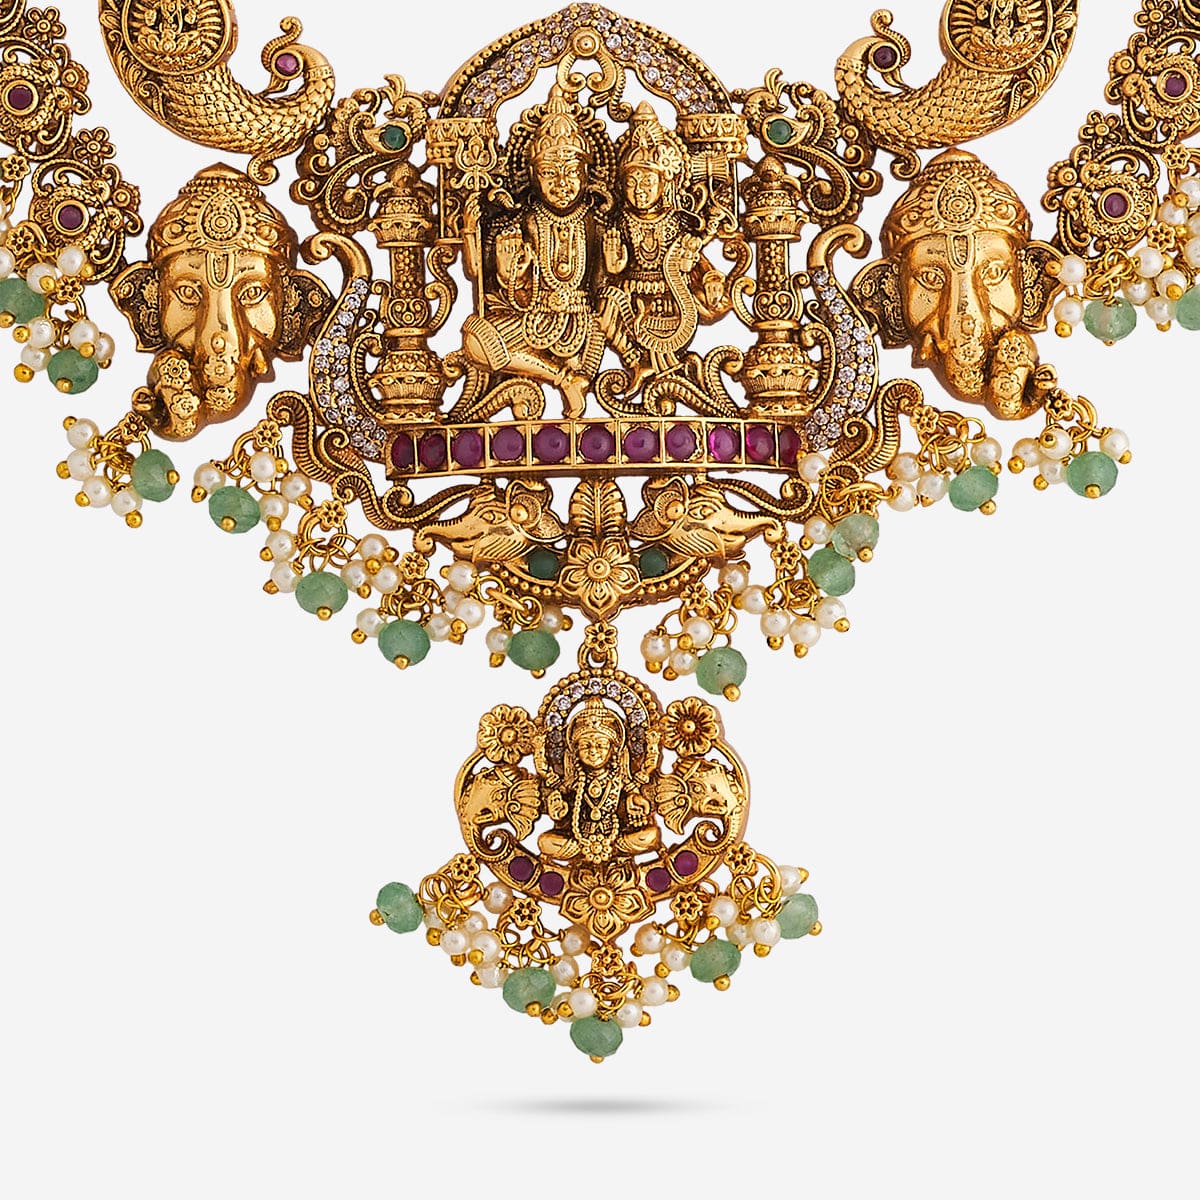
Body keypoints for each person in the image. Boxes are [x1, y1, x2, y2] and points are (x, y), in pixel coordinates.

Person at [461, 85, 608, 418]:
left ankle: (572, 374)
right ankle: (561, 379)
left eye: (571, 172)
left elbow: (605, 284)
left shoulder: (597, 221)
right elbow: (478, 274)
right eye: (548, 173)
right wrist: (503, 267)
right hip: (532, 319)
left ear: (586, 174)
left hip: (583, 325)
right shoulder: (520, 221)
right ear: (531, 175)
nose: (561, 183)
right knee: (475, 342)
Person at [599, 102, 729, 394]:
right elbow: (609, 270)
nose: (639, 190)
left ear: (666, 182)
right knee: (605, 307)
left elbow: (697, 256)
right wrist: (614, 266)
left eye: (647, 181)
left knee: (710, 303)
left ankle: (671, 367)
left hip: (673, 293)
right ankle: (636, 362)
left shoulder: (676, 220)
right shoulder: (620, 221)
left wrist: (710, 278)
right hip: (632, 296)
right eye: (631, 182)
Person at [538, 697, 660, 864]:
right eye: (585, 746)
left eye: (601, 745)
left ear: (613, 750)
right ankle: (593, 852)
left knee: (650, 836)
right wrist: (557, 806)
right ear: (575, 751)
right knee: (545, 842)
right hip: (579, 839)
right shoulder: (573, 781)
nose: (593, 751)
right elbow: (551, 783)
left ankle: (609, 850)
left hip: (615, 837)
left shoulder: (619, 778)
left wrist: (635, 799)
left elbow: (646, 771)